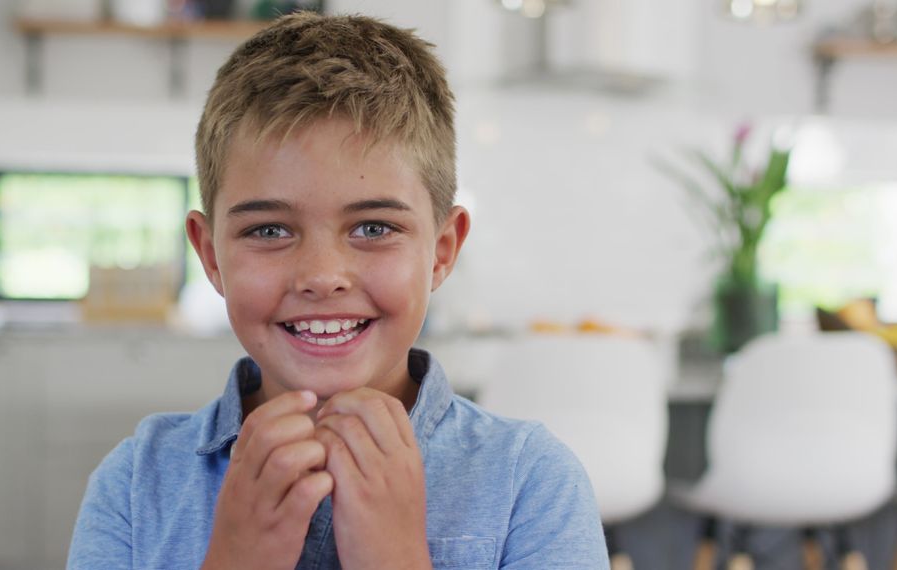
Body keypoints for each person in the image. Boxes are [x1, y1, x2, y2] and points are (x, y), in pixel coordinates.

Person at [68, 12, 608, 569]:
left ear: (442, 251)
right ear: (210, 255)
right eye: (269, 230)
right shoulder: (135, 484)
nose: (323, 275)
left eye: (374, 228)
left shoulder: (531, 481)